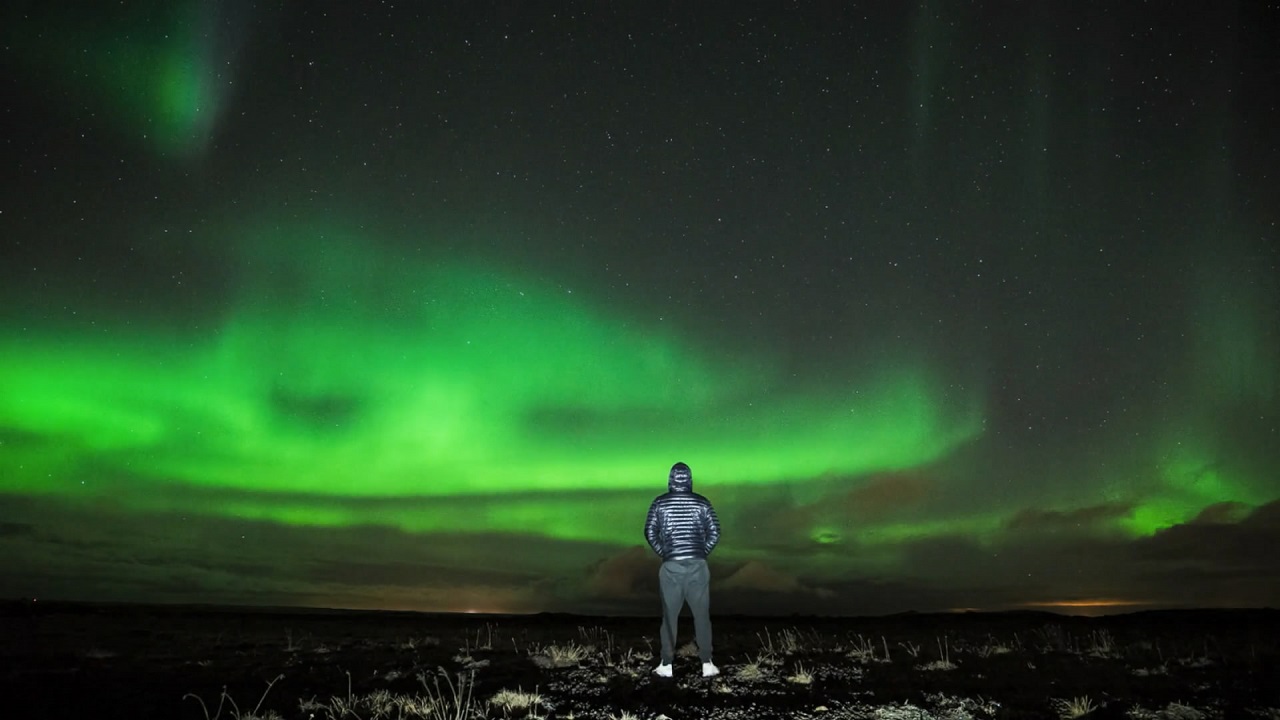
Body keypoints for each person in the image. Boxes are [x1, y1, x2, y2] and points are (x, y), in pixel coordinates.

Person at [644, 461, 721, 678]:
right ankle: (707, 664)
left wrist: (666, 552)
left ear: (670, 479)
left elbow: (649, 532)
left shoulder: (659, 503)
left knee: (669, 617)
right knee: (702, 616)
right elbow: (715, 532)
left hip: (671, 567)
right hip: (698, 566)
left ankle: (666, 665)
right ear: (690, 479)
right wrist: (700, 552)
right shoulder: (702, 502)